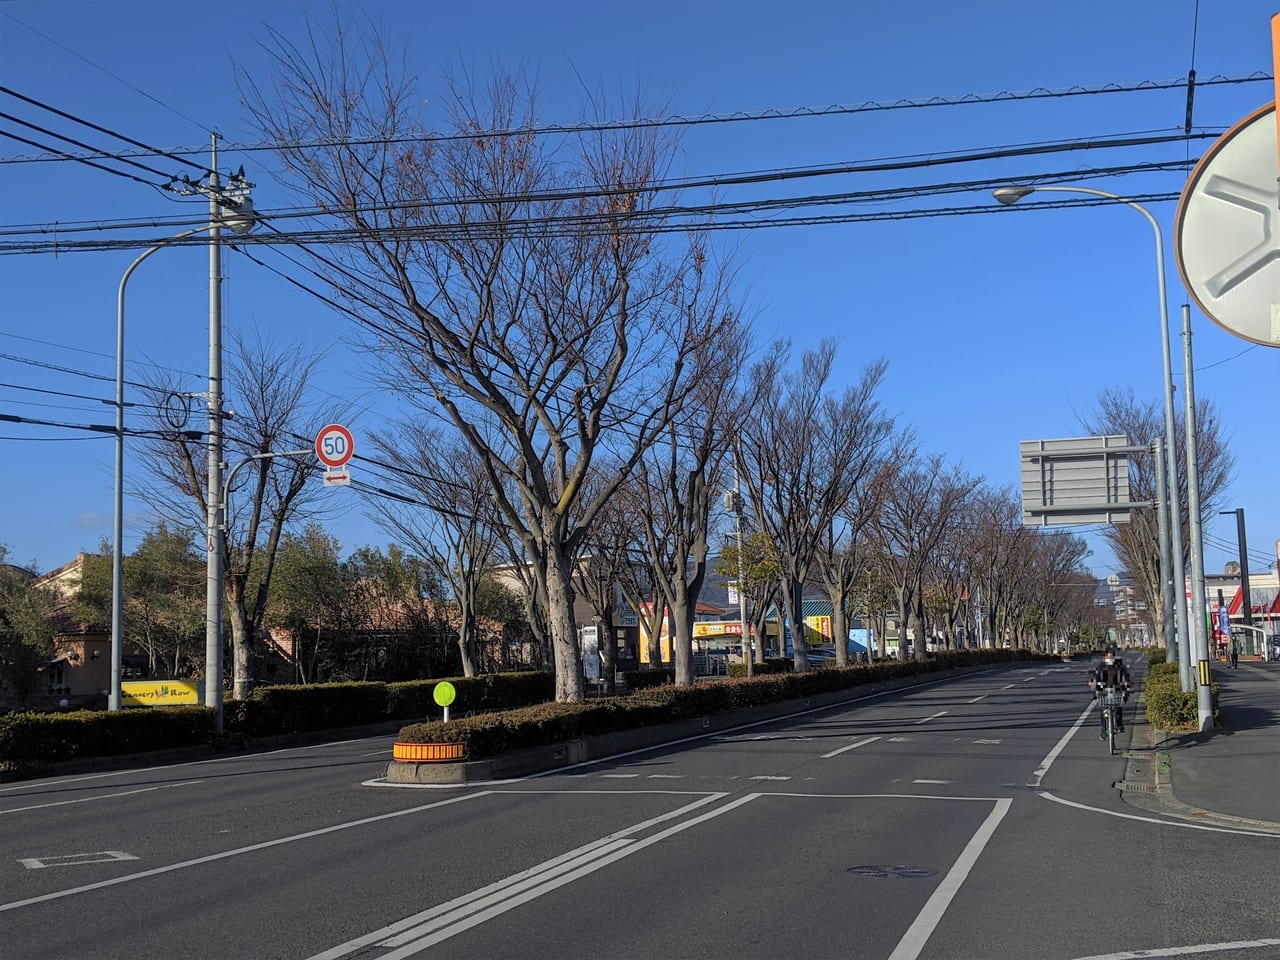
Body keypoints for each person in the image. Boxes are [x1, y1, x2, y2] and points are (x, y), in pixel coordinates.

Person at [1089, 647, 1131, 737]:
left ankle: (1119, 725)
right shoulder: (1101, 667)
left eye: (1111, 657)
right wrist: (1093, 683)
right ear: (1105, 657)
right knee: (1103, 710)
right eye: (1108, 657)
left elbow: (1125, 675)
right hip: (1104, 690)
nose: (1110, 659)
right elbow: (1096, 676)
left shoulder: (1119, 666)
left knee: (1118, 708)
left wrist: (1126, 682)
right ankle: (1104, 730)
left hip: (1116, 689)